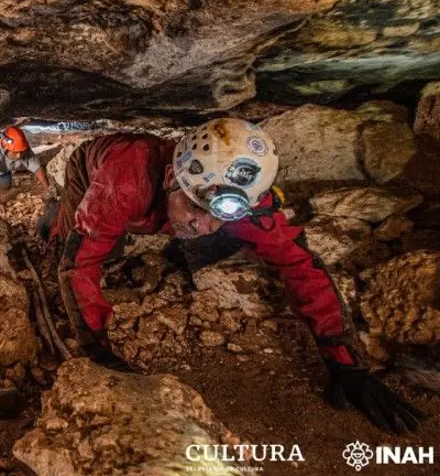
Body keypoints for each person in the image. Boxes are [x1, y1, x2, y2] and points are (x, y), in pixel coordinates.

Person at [48, 118, 423, 434]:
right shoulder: (125, 178)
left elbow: (299, 264)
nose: (205, 225)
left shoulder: (245, 199)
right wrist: (97, 351)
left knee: (199, 238)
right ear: (169, 178)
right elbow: (79, 264)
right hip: (91, 168)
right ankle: (49, 229)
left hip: (157, 203)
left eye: (220, 215)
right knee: (75, 241)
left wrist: (345, 360)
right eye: (196, 206)